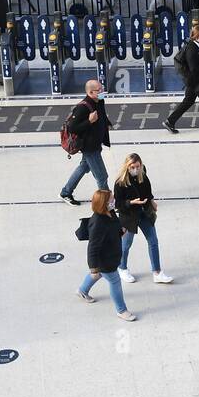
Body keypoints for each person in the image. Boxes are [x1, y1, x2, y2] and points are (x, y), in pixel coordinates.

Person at [75, 189, 137, 321]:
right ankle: (122, 310)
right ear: (104, 203)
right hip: (105, 260)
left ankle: (82, 291)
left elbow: (114, 227)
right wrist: (94, 268)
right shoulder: (98, 222)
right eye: (111, 200)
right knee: (115, 281)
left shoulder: (110, 213)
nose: (114, 201)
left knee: (98, 275)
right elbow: (92, 248)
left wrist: (121, 231)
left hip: (112, 255)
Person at [113, 153, 173, 285]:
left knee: (153, 241)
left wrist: (151, 201)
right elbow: (118, 205)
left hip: (144, 213)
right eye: (133, 167)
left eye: (138, 166)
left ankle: (157, 272)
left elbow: (147, 190)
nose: (136, 169)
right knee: (126, 245)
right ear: (127, 167)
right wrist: (131, 203)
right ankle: (122, 268)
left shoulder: (143, 175)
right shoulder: (120, 183)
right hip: (129, 217)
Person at [61, 79, 112, 205]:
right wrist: (89, 121)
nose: (102, 92)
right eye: (99, 90)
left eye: (101, 89)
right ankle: (107, 201)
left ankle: (66, 192)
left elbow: (102, 115)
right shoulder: (82, 108)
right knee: (102, 176)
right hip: (90, 147)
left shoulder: (99, 101)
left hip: (96, 143)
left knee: (83, 167)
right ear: (90, 92)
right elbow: (73, 127)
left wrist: (107, 123)